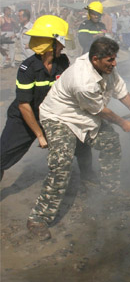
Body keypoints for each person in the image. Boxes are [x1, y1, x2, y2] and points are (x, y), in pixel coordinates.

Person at [27, 37, 130, 240]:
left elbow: (120, 90)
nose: (115, 63)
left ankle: (110, 192)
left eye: (115, 58)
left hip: (83, 115)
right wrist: (124, 123)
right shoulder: (82, 80)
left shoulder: (106, 67)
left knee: (110, 143)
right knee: (61, 164)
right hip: (59, 117)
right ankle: (38, 218)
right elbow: (101, 111)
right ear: (95, 59)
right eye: (110, 60)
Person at [0, 15, 91, 180]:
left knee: (82, 144)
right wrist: (40, 135)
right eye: (61, 41)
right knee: (2, 157)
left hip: (53, 115)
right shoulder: (27, 68)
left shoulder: (62, 62)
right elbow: (24, 105)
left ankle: (90, 183)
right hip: (25, 118)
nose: (63, 46)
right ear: (51, 42)